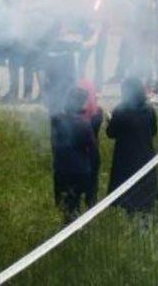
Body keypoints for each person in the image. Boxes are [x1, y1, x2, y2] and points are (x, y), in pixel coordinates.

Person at [107, 77, 158, 216]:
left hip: (125, 156)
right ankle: (146, 215)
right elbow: (153, 131)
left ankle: (130, 213)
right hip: (145, 154)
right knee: (144, 187)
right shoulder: (149, 109)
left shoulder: (120, 110)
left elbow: (110, 133)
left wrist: (110, 120)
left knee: (126, 187)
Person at [51, 86, 100, 222]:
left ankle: (69, 226)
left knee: (66, 205)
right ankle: (76, 229)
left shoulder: (56, 120)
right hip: (79, 170)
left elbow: (54, 145)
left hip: (61, 169)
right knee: (75, 202)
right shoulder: (84, 124)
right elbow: (93, 151)